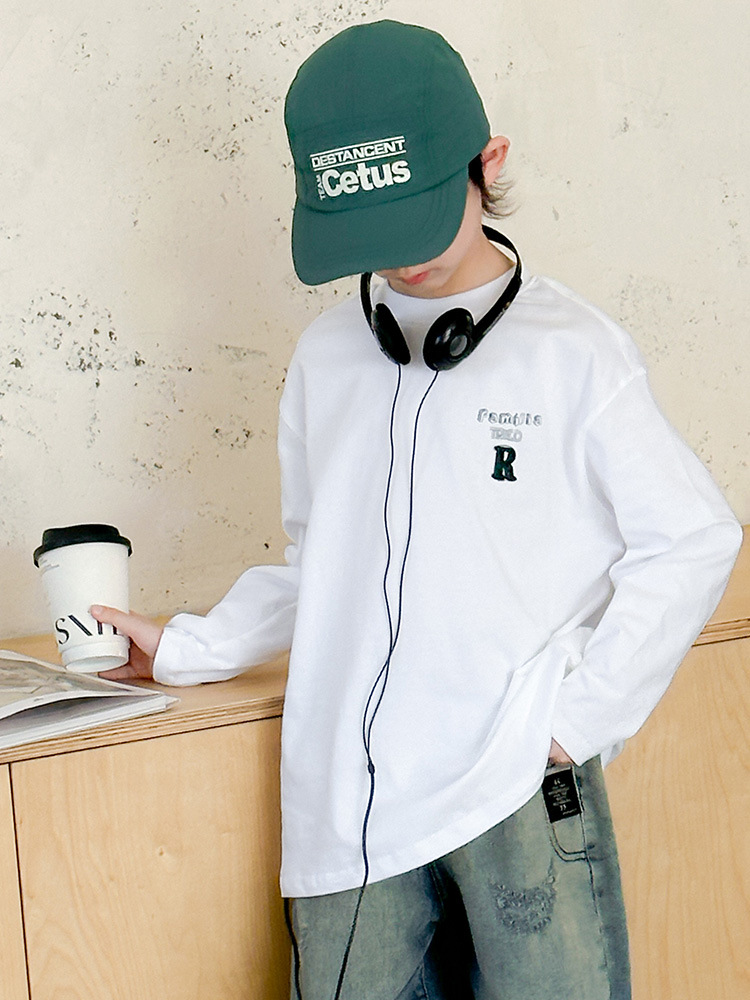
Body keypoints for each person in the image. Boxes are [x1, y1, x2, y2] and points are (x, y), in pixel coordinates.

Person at [92, 19, 742, 1000]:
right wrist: (191, 647)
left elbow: (693, 538)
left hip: (516, 789)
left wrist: (574, 722)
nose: (402, 260)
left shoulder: (575, 355)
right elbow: (326, 564)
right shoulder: (326, 360)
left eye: (417, 220)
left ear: (489, 164)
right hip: (350, 812)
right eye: (374, 236)